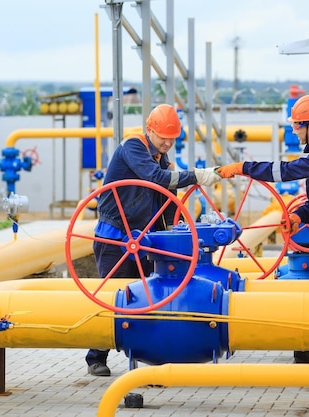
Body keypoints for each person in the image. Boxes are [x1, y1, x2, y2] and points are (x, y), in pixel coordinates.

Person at [216, 94, 309, 364]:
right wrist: (299, 216)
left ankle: (304, 358)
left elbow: (285, 172)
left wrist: (243, 168)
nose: (293, 130)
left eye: (296, 126)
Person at [86, 103, 221, 376]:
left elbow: (167, 200)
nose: (167, 142)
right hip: (116, 239)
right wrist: (195, 175)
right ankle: (96, 356)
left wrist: (174, 231)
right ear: (149, 130)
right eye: (162, 137)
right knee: (115, 297)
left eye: (172, 138)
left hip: (144, 241)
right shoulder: (133, 147)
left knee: (149, 297)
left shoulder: (162, 158)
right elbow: (156, 179)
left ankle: (149, 355)